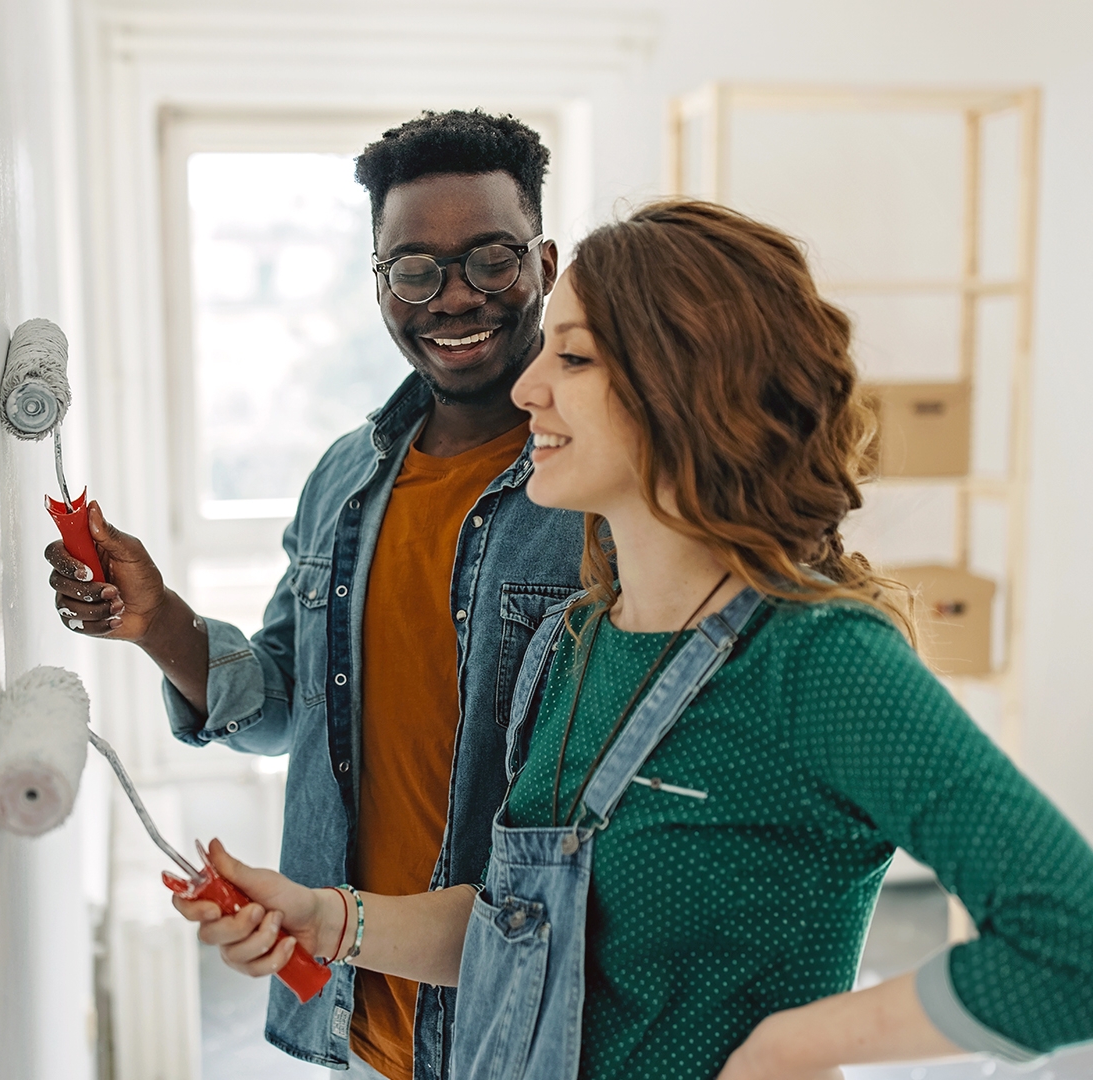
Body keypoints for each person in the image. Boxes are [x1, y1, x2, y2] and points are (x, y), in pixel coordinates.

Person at [173, 200, 1093, 1080]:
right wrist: (329, 919)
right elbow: (517, 929)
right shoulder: (574, 642)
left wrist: (793, 1052)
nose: (529, 385)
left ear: (686, 387)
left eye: (571, 357)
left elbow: (1070, 939)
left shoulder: (816, 659)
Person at [44, 111, 584, 1078]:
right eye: (414, 270)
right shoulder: (346, 478)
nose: (452, 298)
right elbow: (289, 705)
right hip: (364, 1008)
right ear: (380, 283)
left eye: (490, 261)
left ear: (542, 261)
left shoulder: (599, 484)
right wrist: (160, 622)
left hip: (536, 1020)